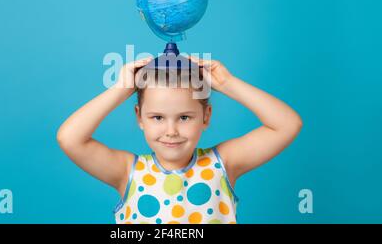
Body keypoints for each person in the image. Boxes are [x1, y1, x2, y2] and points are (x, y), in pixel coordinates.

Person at [57, 55, 303, 224]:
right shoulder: (127, 171)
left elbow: (287, 124)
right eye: (157, 117)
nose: (171, 130)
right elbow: (70, 138)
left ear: (206, 117)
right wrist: (120, 89)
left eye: (184, 117)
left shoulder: (223, 163)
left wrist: (228, 84)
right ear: (139, 117)